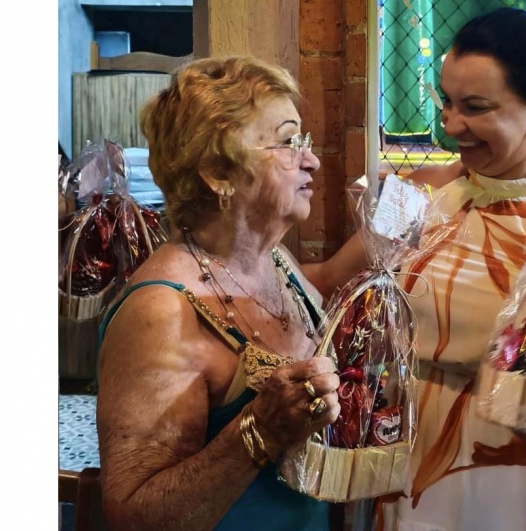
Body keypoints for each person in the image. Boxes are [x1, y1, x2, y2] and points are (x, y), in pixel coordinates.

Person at [304, 7, 526, 531]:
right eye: (447, 102)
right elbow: (331, 281)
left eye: (475, 107)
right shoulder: (417, 194)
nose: (451, 125)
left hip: (523, 476)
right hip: (407, 458)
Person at [95, 56, 342, 531]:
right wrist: (260, 432)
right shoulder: (159, 311)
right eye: (288, 142)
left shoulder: (278, 262)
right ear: (217, 173)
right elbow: (133, 516)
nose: (310, 160)